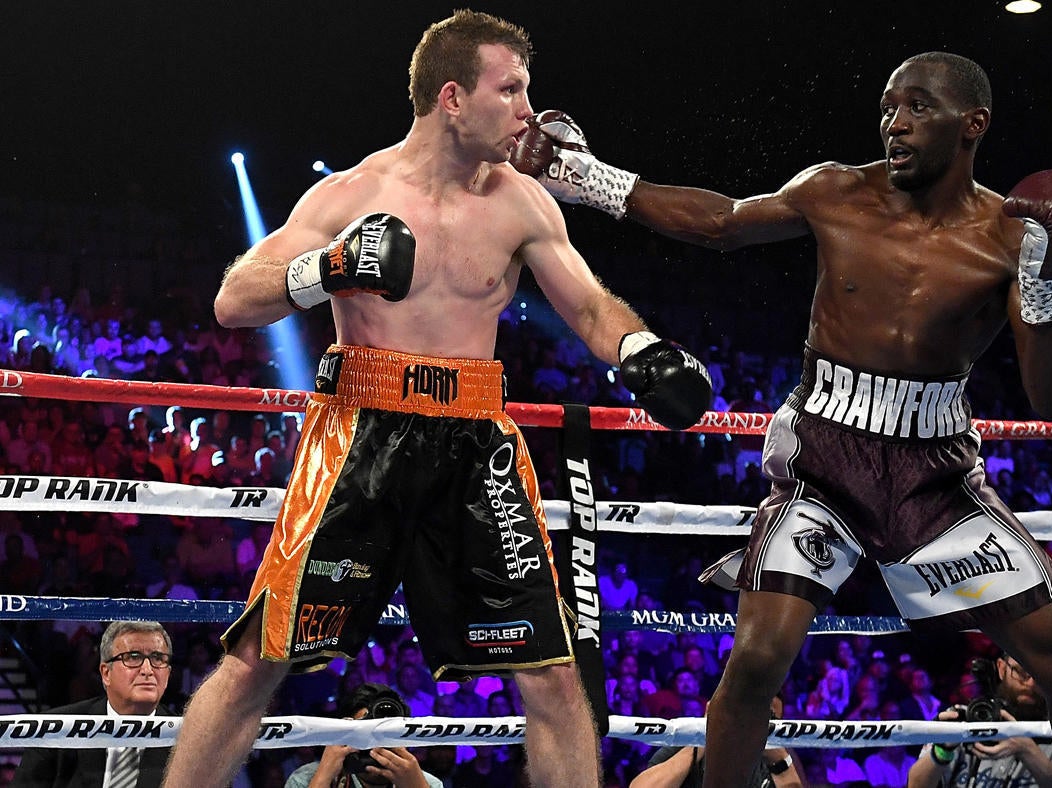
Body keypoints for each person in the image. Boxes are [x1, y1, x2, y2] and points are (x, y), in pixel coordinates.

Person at [513, 51, 1052, 786]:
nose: (894, 124)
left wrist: (1048, 282)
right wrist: (584, 175)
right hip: (823, 460)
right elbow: (721, 223)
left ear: (974, 124)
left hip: (936, 475)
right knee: (758, 660)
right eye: (888, 107)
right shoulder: (838, 190)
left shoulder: (1006, 238)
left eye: (918, 107)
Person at [160, 10, 710, 788]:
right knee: (260, 660)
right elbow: (234, 300)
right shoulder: (353, 191)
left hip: (475, 440)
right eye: (510, 88)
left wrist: (642, 350)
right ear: (452, 97)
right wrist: (333, 266)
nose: (529, 109)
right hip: (361, 437)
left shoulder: (523, 202)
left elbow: (589, 306)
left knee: (552, 676)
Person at [14, 621, 174, 788]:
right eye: (133, 657)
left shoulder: (185, 738)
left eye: (157, 658)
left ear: (168, 674)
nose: (147, 670)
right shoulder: (52, 732)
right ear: (106, 673)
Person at [907, 653, 1052, 788]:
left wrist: (1027, 750)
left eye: (1040, 675)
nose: (1030, 683)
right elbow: (915, 785)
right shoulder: (964, 718)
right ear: (1001, 668)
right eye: (1021, 672)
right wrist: (942, 751)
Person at [282, 683, 443, 788]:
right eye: (364, 734)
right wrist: (324, 777)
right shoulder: (306, 779)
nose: (375, 746)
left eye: (386, 734)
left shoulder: (427, 783)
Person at [631, 696, 803, 787]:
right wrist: (704, 738)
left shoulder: (778, 760)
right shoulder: (683, 749)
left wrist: (779, 759)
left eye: (771, 717)